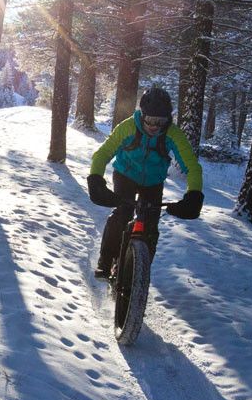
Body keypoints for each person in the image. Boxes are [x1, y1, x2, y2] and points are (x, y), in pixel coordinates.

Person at [87, 86, 204, 279]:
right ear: (142, 114)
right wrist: (96, 180)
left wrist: (194, 194)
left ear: (168, 119)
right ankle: (105, 261)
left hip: (153, 182)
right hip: (125, 175)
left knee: (150, 226)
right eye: (150, 119)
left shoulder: (173, 134)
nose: (154, 126)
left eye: (161, 121)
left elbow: (192, 167)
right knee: (122, 214)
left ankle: (140, 273)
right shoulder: (127, 128)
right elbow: (103, 154)